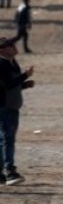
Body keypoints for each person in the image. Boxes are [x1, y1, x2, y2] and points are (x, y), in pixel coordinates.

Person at [0, 36, 34, 185]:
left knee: (4, 140)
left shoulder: (12, 63)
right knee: (7, 139)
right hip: (4, 106)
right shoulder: (1, 64)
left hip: (11, 106)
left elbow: (12, 85)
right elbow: (7, 85)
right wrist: (24, 76)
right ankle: (9, 172)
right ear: (2, 50)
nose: (14, 47)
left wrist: (24, 84)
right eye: (10, 45)